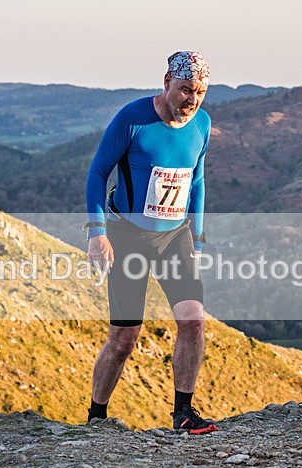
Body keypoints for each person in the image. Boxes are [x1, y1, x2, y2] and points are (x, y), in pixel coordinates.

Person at [84, 51, 218, 434]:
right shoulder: (133, 119)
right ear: (166, 83)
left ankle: (184, 413)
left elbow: (197, 181)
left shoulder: (202, 124)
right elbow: (97, 173)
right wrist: (98, 234)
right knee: (124, 339)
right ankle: (96, 417)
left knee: (192, 321)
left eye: (201, 92)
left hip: (175, 238)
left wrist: (199, 236)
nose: (192, 100)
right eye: (185, 90)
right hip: (127, 238)